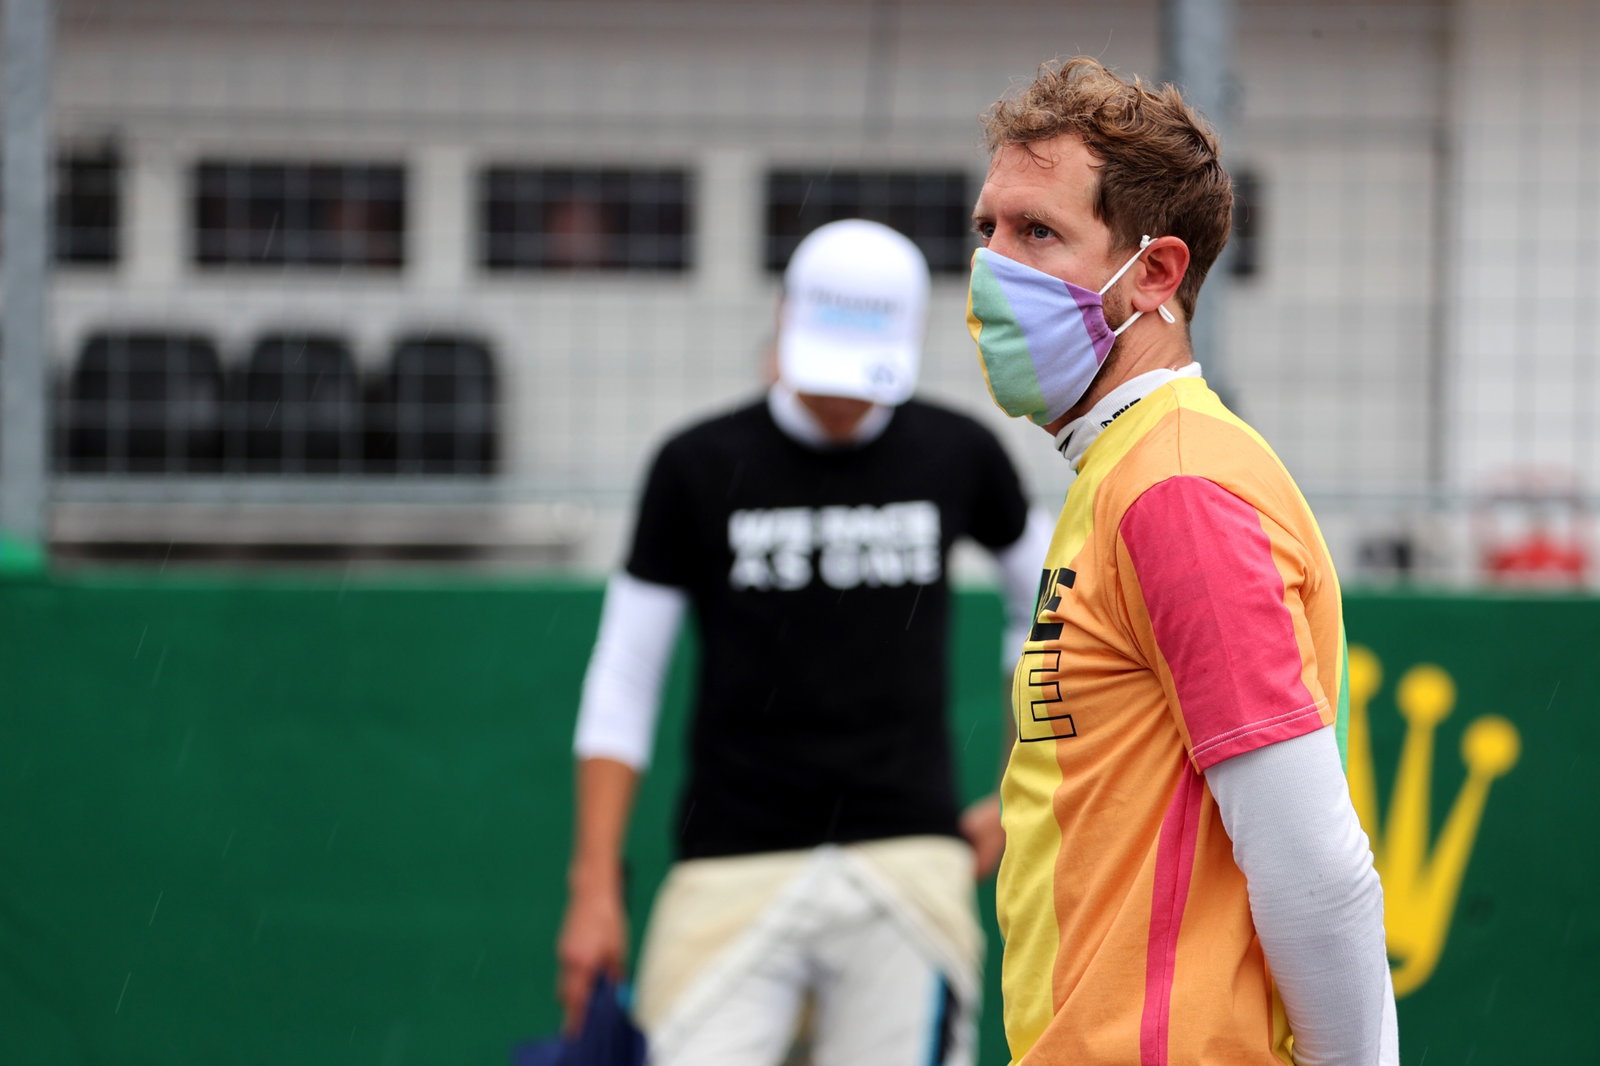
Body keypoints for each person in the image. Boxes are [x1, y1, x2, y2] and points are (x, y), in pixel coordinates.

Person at [964, 58, 1399, 1065]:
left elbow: (1313, 863)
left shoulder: (1177, 490)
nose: (992, 269)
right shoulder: (1125, 470)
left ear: (1155, 273)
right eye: (987, 228)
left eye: (1038, 232)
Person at [556, 218, 1051, 1066]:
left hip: (907, 862)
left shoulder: (958, 452)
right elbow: (625, 675)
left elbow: (1051, 602)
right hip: (729, 861)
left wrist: (1020, 789)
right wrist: (595, 883)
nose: (839, 395)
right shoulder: (695, 465)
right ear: (782, 321)